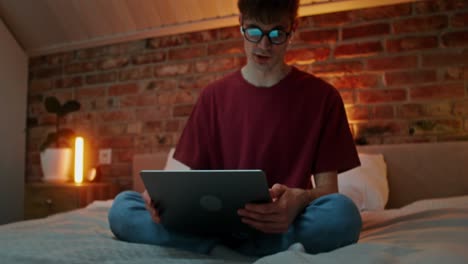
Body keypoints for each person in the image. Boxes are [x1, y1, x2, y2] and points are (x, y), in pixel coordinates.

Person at [108, 0, 362, 257]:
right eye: (254, 32)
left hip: (283, 223)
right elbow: (190, 181)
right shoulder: (213, 96)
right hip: (215, 226)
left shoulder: (323, 97)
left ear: (293, 28)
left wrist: (299, 200)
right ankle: (234, 250)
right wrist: (158, 198)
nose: (263, 45)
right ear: (240, 24)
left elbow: (328, 191)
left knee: (342, 214)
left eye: (276, 33)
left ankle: (215, 251)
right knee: (122, 208)